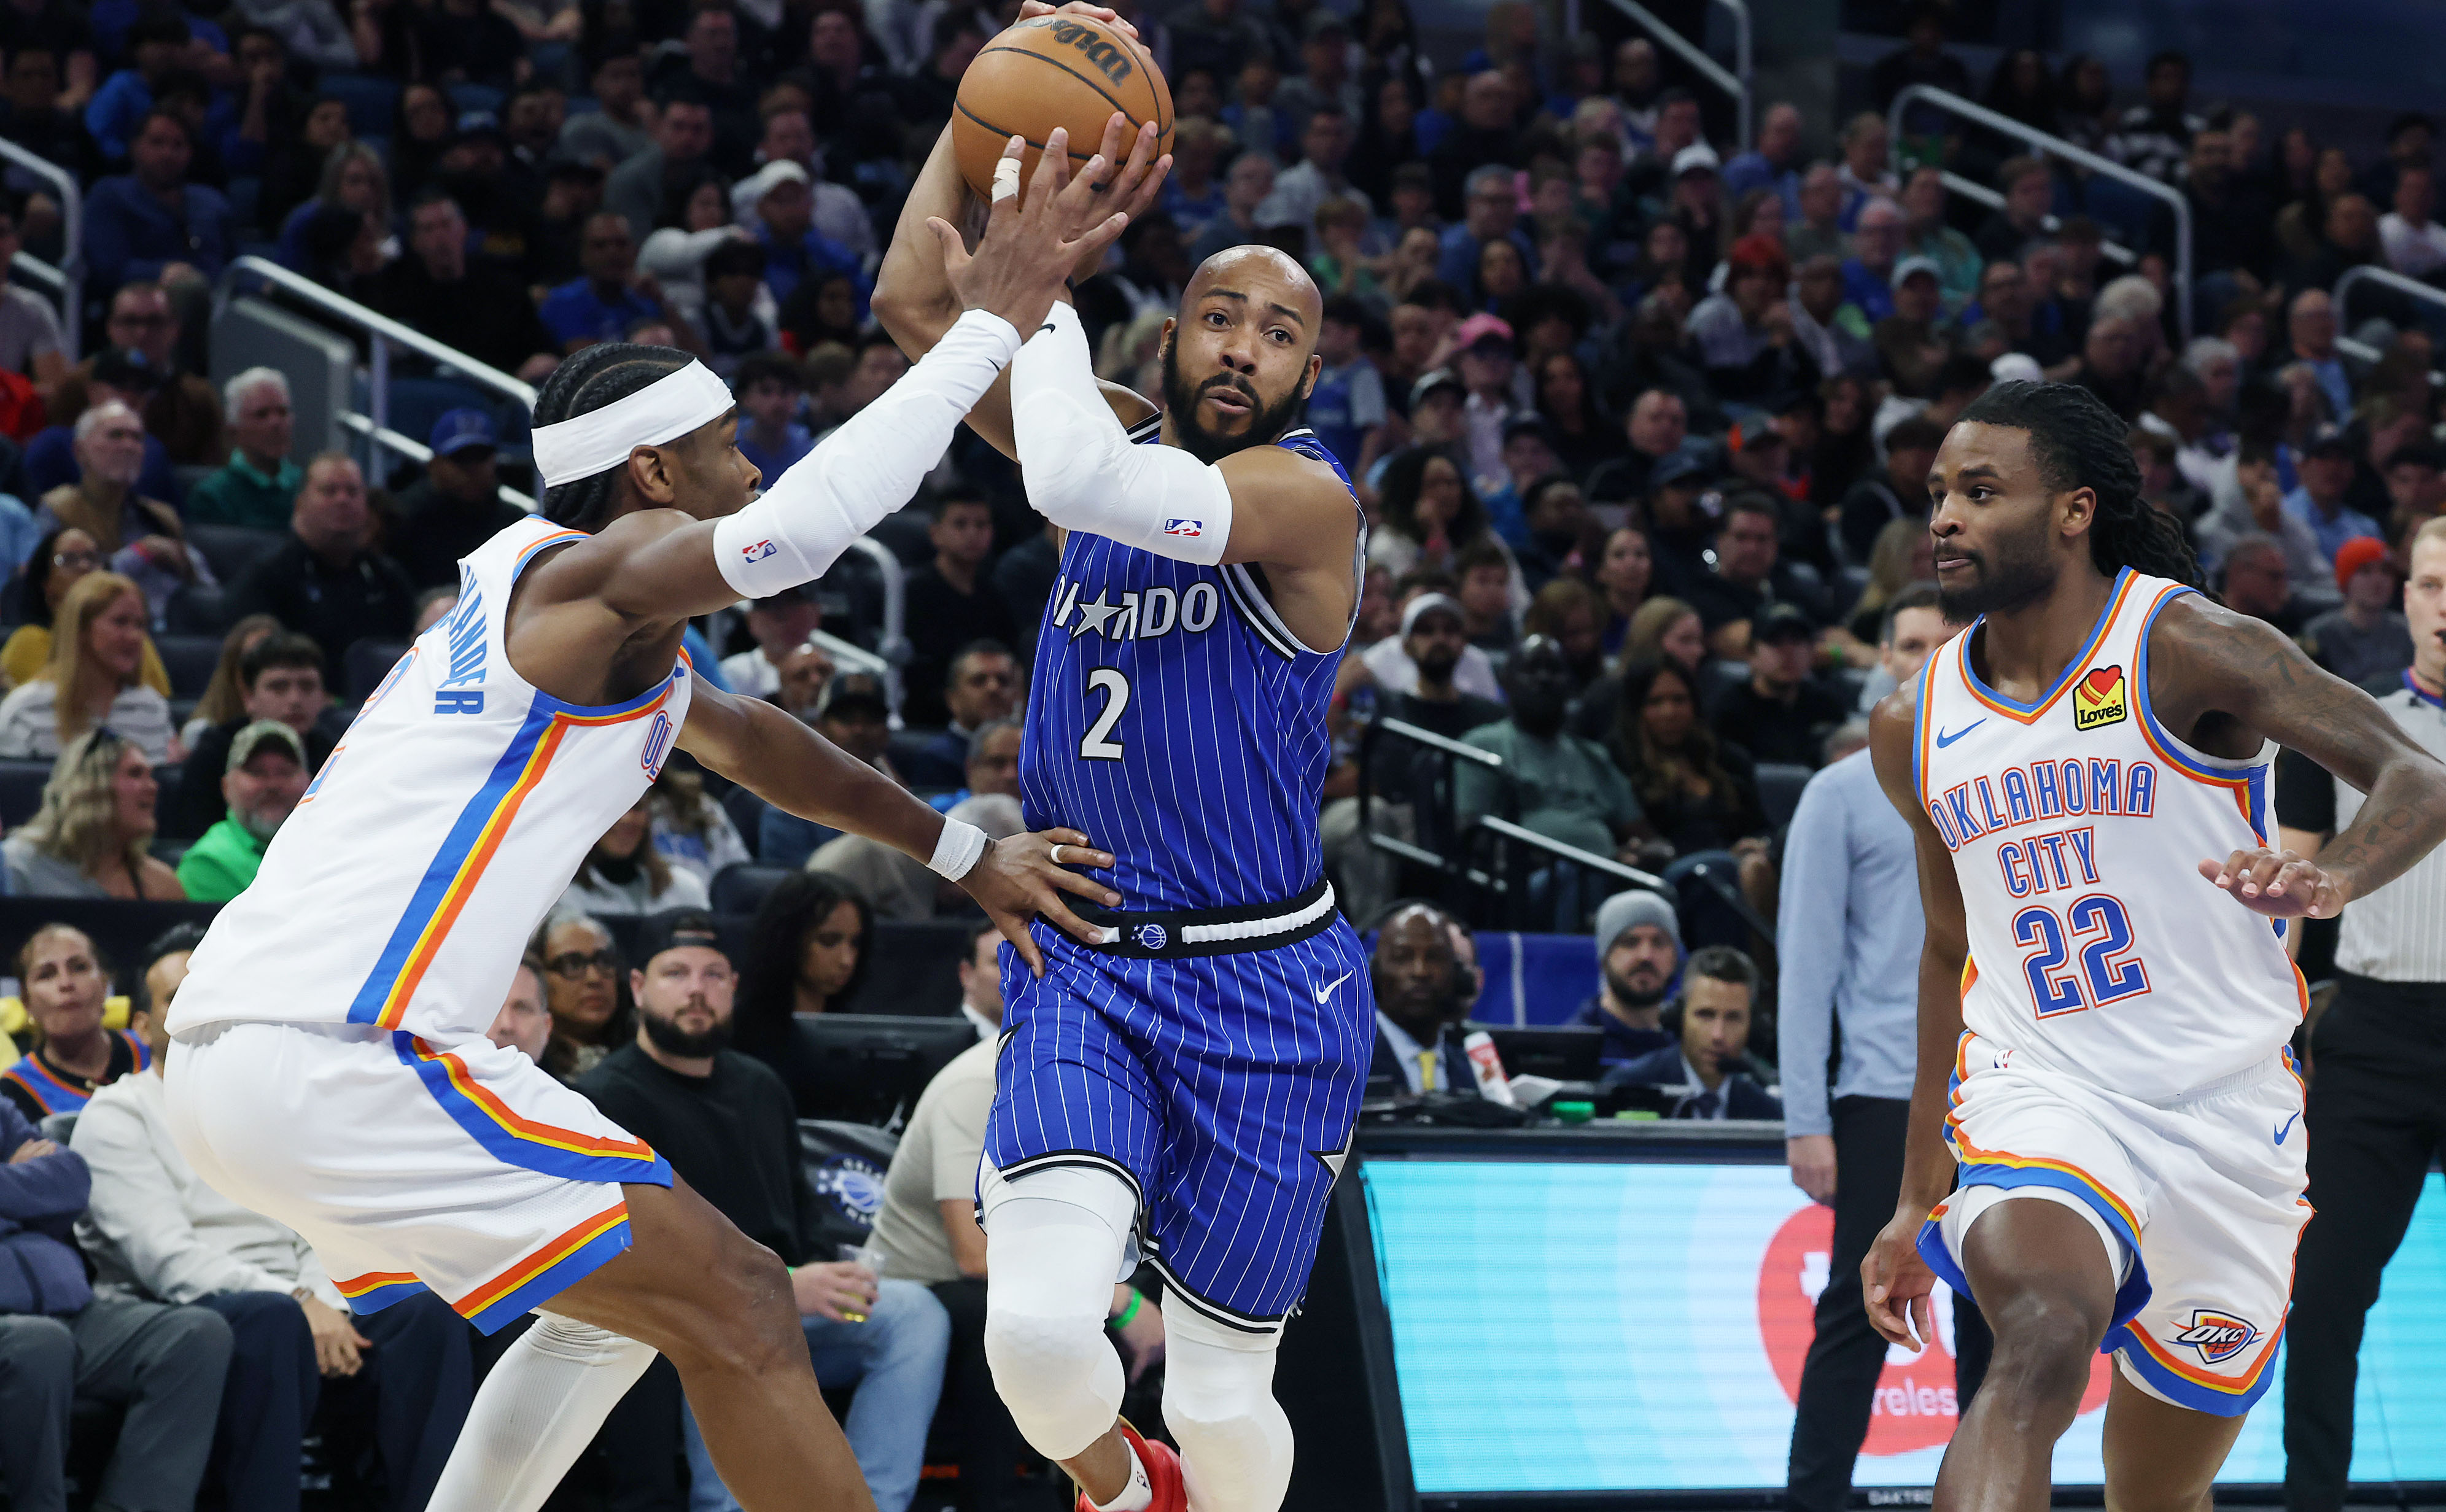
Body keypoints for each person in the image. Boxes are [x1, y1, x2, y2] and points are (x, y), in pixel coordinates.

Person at [160, 115, 1127, 1512]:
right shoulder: (580, 582)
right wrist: (986, 328)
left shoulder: (602, 633)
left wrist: (968, 854)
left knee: (622, 1305)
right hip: (341, 1050)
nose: (749, 470)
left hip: (253, 1063)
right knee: (742, 1294)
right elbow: (793, 534)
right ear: (654, 478)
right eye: (729, 449)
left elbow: (765, 746)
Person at [879, 90, 1386, 1512]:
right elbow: (910, 293)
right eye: (1220, 314)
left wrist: (1029, 299)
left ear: (1311, 370)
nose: (1243, 346)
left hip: (1270, 992)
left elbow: (1081, 478)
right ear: (1173, 330)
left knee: (1224, 1392)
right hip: (1088, 965)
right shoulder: (1090, 421)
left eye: (1279, 331)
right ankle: (1115, 1482)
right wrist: (987, 104)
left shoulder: (1306, 502)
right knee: (1039, 1336)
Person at [1862, 381, 2446, 1506]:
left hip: (2228, 1119)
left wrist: (2331, 874)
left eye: (1980, 491)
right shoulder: (1913, 721)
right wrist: (1909, 1196)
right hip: (2043, 1090)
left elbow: (2416, 774)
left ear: (2073, 510)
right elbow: (1948, 950)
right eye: (1937, 492)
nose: (1942, 515)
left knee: (2154, 1493)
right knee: (2033, 1338)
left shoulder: (2183, 645)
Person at [72, 925, 477, 1512]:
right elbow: (166, 1260)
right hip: (186, 1313)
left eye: (211, 991)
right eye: (176, 998)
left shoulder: (259, 1105)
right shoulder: (117, 1114)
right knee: (270, 1322)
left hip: (305, 1305)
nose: (199, 1009)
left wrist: (324, 1301)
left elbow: (322, 1222)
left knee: (419, 1310)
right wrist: (298, 1301)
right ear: (140, 1026)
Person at [576, 912, 952, 1512]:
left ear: (735, 986)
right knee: (723, 1323)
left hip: (782, 1307)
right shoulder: (604, 1098)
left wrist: (824, 1278)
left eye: (713, 974)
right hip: (680, 1320)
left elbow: (797, 1221)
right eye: (677, 973)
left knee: (914, 1315)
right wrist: (784, 1286)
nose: (697, 989)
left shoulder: (760, 1086)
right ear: (640, 988)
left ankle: (874, 1504)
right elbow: (637, 1258)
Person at [1779, 586, 1984, 1512]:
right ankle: (1812, 1499)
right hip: (1879, 1091)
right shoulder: (1837, 792)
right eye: (1908, 643)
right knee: (1854, 1315)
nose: (1927, 657)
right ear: (1882, 658)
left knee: (2003, 1318)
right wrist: (1803, 1118)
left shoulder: (2009, 773)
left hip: (2003, 1088)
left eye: (1947, 640)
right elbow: (1805, 968)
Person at [870, 920, 1168, 1512]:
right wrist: (1126, 1303)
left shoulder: (1110, 1078)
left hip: (1038, 1260)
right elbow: (972, 1254)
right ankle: (1004, 1499)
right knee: (1019, 1312)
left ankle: (1162, 1483)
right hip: (932, 1287)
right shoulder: (973, 1085)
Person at [2276, 514, 2446, 1512]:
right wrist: (2260, 1041)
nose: (2445, 604)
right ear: (2404, 597)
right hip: (2372, 1037)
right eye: (2428, 583)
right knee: (2324, 1292)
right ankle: (2309, 1501)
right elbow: (2282, 906)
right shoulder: (2342, 732)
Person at [0, 1034, 231, 1512]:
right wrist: (19, 1186)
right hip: (20, 1331)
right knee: (39, 1345)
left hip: (72, 1308)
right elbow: (41, 1192)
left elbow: (70, 1181)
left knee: (194, 1335)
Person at [1454, 635, 1649, 863]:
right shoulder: (1483, 746)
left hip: (1608, 873)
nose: (1544, 679)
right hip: (1528, 881)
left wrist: (1648, 853)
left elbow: (1641, 832)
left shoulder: (1591, 755)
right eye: (1531, 670)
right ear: (1507, 681)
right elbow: (1471, 833)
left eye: (1554, 670)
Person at [225, 454, 418, 672]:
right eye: (329, 491)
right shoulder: (267, 576)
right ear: (300, 505)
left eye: (353, 492)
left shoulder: (388, 578)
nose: (343, 500)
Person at [168, 630, 333, 839]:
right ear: (248, 697)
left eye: (307, 686)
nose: (295, 700)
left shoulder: (335, 754)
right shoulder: (214, 754)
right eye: (279, 687)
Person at [0, 570, 179, 762]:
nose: (135, 637)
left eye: (140, 625)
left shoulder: (152, 709)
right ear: (81, 630)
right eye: (120, 622)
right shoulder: (26, 709)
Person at [0, 728, 184, 901]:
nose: (153, 787)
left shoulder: (162, 885)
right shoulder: (17, 866)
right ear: (91, 788)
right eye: (135, 774)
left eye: (150, 775)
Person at [1602, 947, 1781, 1118]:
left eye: (1733, 1018)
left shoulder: (1767, 1112)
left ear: (1753, 1026)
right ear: (1679, 1017)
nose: (1718, 1035)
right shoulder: (1628, 1089)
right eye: (1706, 1015)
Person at [1, 922, 154, 1118]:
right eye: (46, 975)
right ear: (26, 1001)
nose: (66, 983)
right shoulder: (14, 1093)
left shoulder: (153, 1049)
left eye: (79, 968)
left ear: (105, 982)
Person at [0, 525, 173, 697]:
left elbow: (157, 705)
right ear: (46, 584)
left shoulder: (131, 639)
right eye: (68, 559)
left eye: (92, 558)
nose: (84, 566)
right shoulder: (27, 643)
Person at [902, 492, 1019, 728]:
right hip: (928, 717)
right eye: (960, 524)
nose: (972, 533)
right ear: (935, 533)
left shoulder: (995, 593)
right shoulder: (913, 592)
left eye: (981, 525)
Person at [391, 408, 526, 591]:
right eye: (461, 458)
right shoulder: (403, 519)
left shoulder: (514, 524)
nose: (472, 469)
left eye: (480, 457)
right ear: (435, 464)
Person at [174, 719, 308, 902]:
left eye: (285, 772)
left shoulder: (333, 848)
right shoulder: (209, 862)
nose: (273, 785)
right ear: (226, 787)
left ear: (311, 784)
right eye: (257, 772)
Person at [1710, 603, 1852, 768]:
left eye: (1797, 640)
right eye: (1775, 642)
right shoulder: (1729, 711)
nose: (1788, 652)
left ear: (1812, 651)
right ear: (1752, 653)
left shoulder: (1827, 705)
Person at [1364, 901, 1478, 1096]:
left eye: (1434, 957)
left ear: (1457, 975)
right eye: (1403, 957)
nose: (1420, 972)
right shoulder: (1349, 1062)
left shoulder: (1476, 1069)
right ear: (1374, 974)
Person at [1566, 888, 1681, 1065]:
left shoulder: (1690, 1047)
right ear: (1604, 958)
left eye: (1659, 943)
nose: (1646, 955)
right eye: (1630, 942)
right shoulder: (1574, 1046)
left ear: (1675, 957)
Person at [185, 367, 301, 529]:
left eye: (283, 412)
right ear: (234, 431)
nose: (276, 423)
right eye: (262, 414)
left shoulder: (308, 488)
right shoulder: (212, 497)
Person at [899, 641, 1020, 789]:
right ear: (952, 698)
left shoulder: (1042, 752)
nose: (993, 688)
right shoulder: (937, 759)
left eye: (1003, 681)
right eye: (979, 681)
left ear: (1018, 694)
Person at [2299, 536, 2413, 686]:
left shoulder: (2408, 631)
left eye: (2386, 572)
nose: (2378, 580)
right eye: (2365, 572)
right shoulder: (2320, 634)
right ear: (2346, 580)